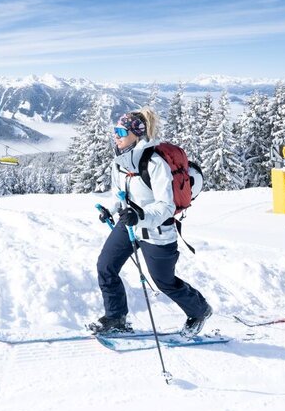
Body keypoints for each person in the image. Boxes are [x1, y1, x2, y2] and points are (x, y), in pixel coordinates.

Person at [89, 108, 213, 337]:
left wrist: (141, 216)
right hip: (129, 226)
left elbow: (166, 206)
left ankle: (199, 310)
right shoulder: (119, 162)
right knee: (106, 267)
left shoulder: (154, 163)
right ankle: (116, 317)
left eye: (120, 131)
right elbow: (119, 194)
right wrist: (110, 209)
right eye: (115, 131)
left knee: (163, 281)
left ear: (136, 134)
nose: (115, 135)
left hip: (156, 230)